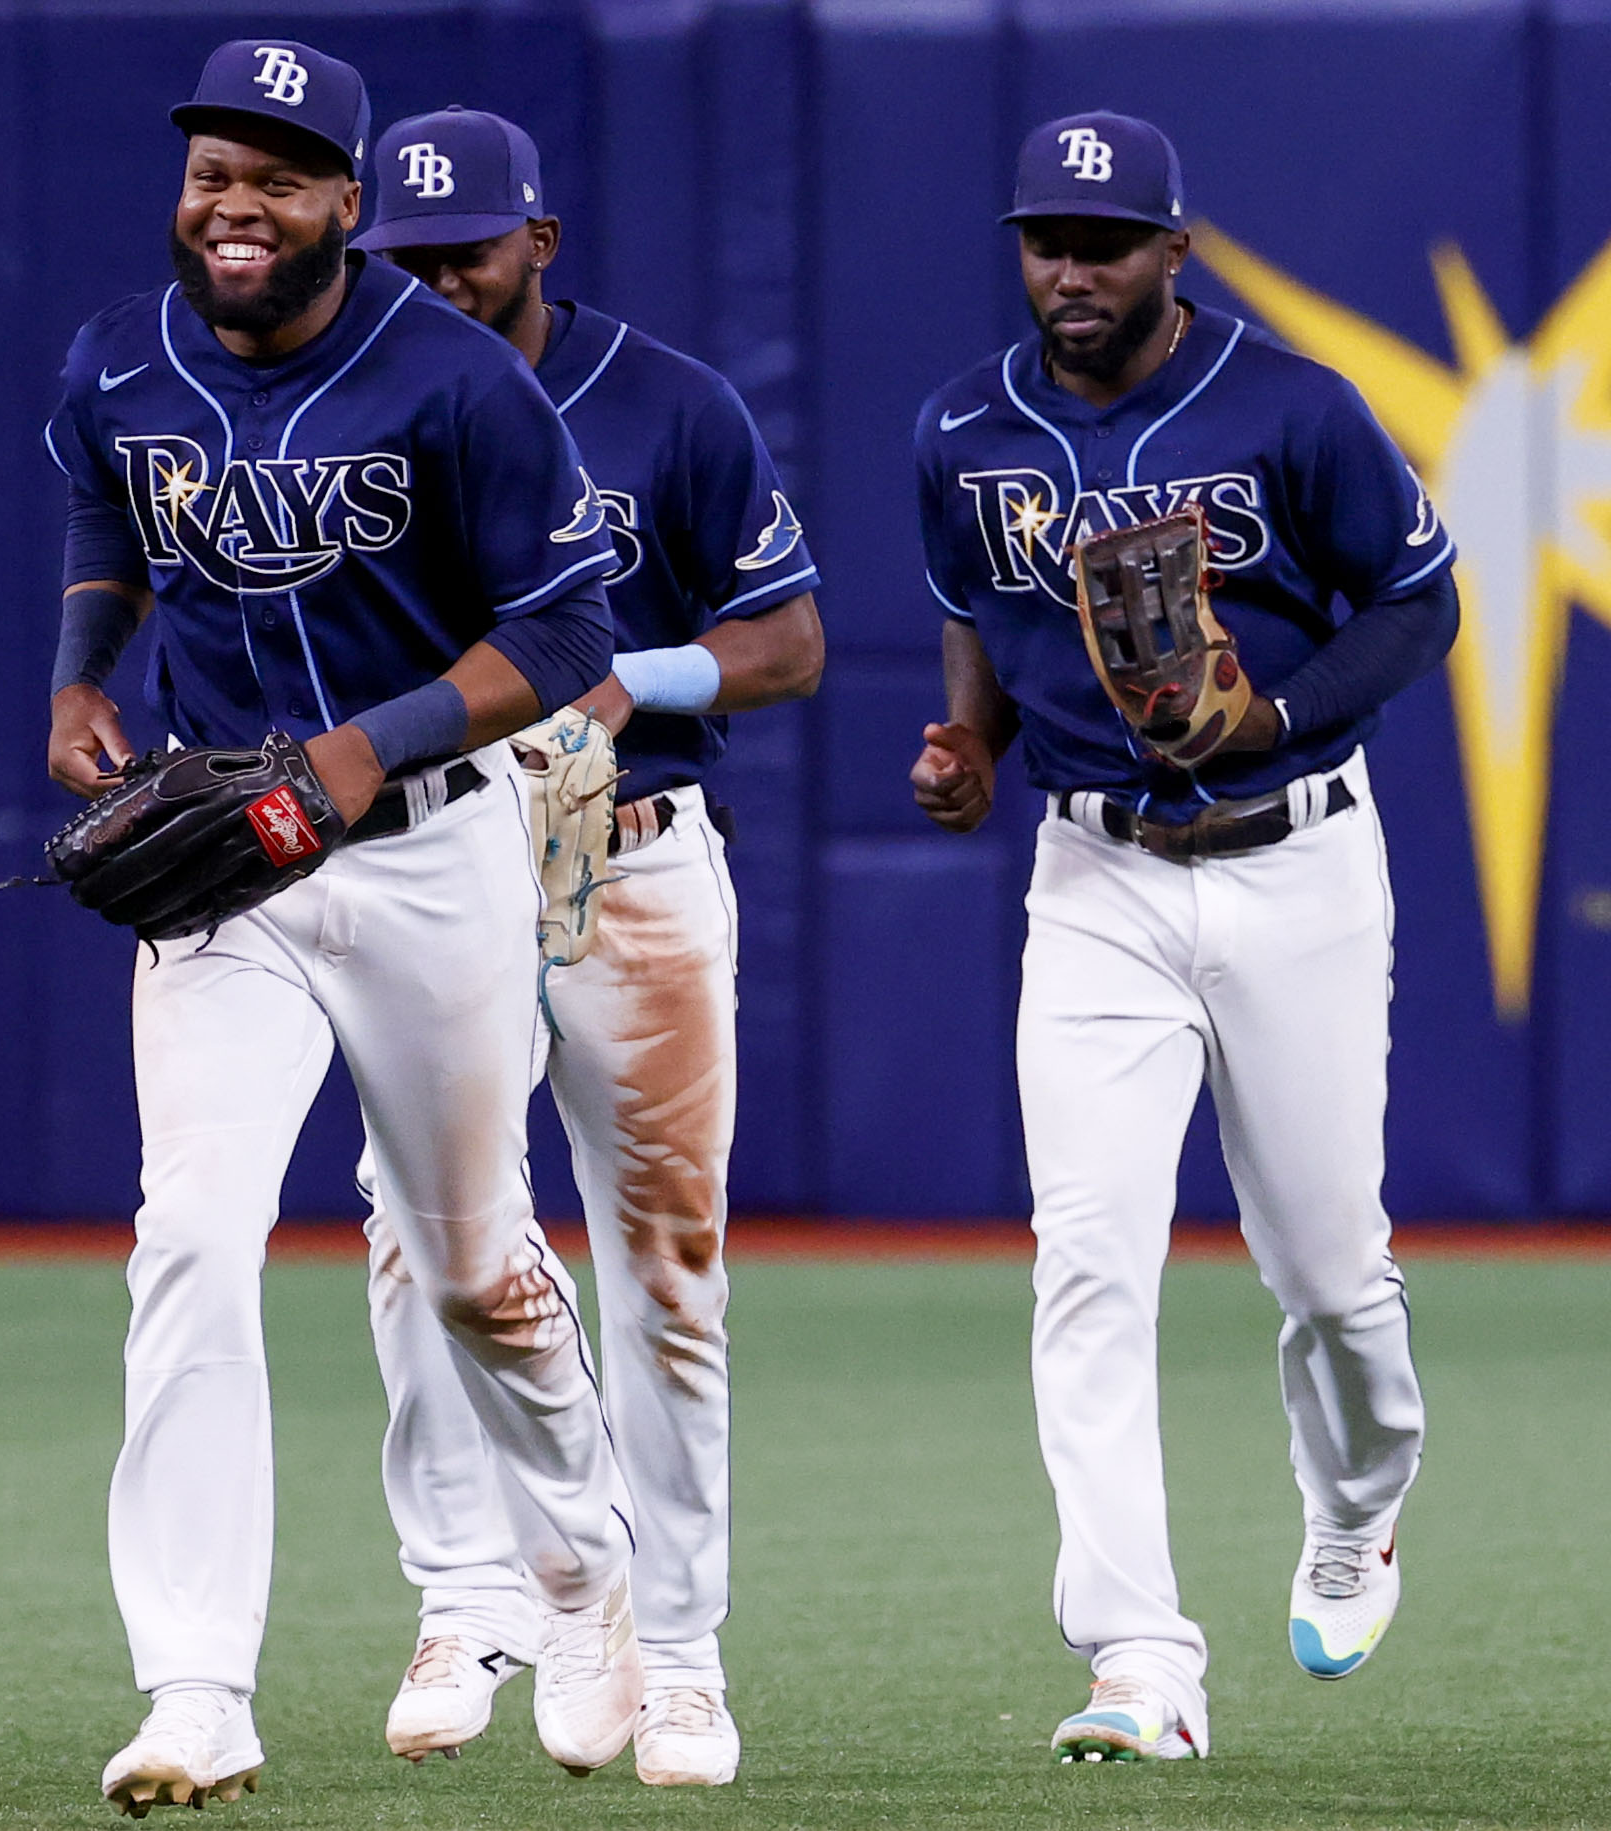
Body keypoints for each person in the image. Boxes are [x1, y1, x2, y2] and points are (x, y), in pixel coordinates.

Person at [38, 42, 649, 1812]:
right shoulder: (120, 356)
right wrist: (83, 673)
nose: (237, 206)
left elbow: (559, 642)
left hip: (429, 855)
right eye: (215, 171)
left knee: (467, 1267)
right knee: (190, 1241)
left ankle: (586, 1563)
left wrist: (355, 752)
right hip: (232, 859)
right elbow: (105, 503)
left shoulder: (455, 381)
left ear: (348, 209)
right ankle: (196, 1690)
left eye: (282, 178)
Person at [907, 111, 1457, 1763]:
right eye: (1043, 239)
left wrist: (1276, 711)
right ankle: (1137, 1658)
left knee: (1327, 1271)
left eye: (1102, 240)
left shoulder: (1287, 405)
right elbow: (974, 612)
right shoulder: (960, 427)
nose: (1067, 270)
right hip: (1095, 881)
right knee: (1086, 1262)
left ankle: (1356, 1506)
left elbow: (1416, 598)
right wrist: (968, 748)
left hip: (1294, 860)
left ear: (1172, 249)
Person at [346, 106, 825, 1789]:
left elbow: (789, 640)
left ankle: (679, 1655)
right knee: (422, 1241)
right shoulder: (346, 406)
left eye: (462, 252)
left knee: (667, 1266)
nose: (432, 283)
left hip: (629, 854)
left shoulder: (664, 401)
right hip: (440, 863)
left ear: (536, 243)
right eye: (398, 258)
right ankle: (474, 1590)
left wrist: (642, 680)